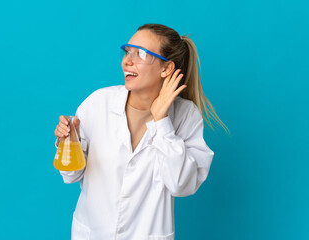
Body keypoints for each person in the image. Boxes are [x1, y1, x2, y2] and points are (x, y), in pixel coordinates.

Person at [54, 23, 229, 240]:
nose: (127, 61)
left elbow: (182, 185)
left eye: (140, 54)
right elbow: (70, 175)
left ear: (166, 68)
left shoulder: (186, 116)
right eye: (128, 51)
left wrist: (162, 122)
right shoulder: (97, 103)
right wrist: (70, 140)